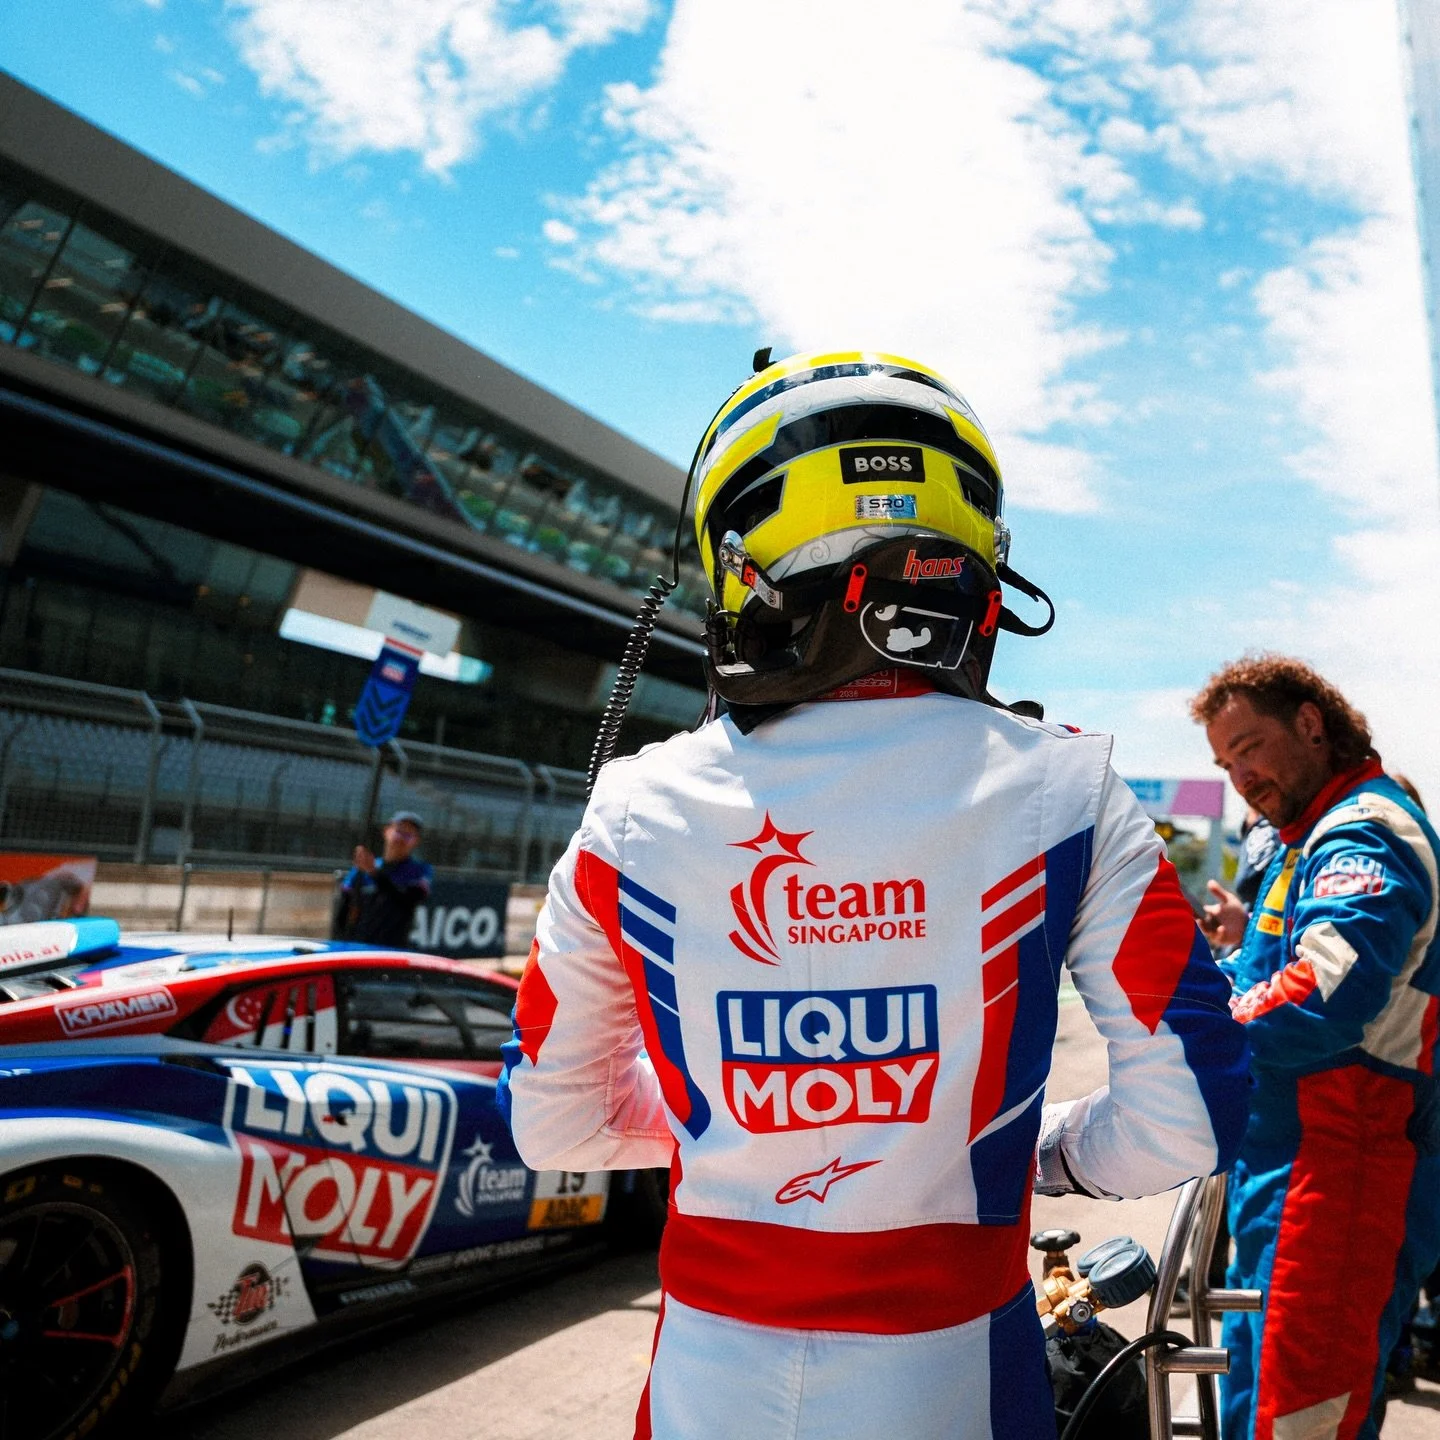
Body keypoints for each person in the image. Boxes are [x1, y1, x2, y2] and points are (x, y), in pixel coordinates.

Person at [499, 350, 1250, 1440]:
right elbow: (1188, 1118)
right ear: (971, 563)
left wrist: (742, 1119)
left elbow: (551, 1120)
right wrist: (1022, 1144)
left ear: (741, 567)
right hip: (962, 1380)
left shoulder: (632, 808)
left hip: (709, 1381)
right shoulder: (1069, 787)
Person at [1189, 655, 1440, 1440]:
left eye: (1250, 747)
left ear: (1310, 723)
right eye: (1225, 763)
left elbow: (1328, 989)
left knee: (1299, 1420)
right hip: (1282, 1168)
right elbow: (1260, 975)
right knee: (1256, 1407)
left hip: (1344, 1168)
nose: (1241, 777)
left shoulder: (1364, 828)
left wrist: (1195, 1036)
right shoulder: (1302, 837)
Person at [334, 810, 432, 948]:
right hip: (356, 950)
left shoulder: (419, 871)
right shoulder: (361, 869)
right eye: (399, 831)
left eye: (409, 835)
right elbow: (343, 913)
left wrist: (374, 873)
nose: (402, 839)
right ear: (386, 831)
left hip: (390, 954)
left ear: (416, 841)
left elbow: (408, 900)